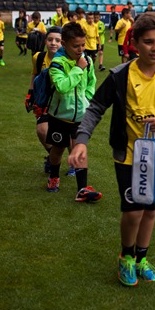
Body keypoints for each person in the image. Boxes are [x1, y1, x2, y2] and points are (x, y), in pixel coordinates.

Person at [69, 13, 155, 286]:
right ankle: (126, 256)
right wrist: (81, 140)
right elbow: (96, 107)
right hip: (127, 155)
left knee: (150, 209)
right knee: (134, 209)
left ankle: (141, 258)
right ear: (135, 43)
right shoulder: (120, 75)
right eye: (148, 42)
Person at [45, 22, 100, 203]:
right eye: (76, 46)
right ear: (64, 44)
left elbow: (91, 83)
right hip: (60, 117)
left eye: (83, 45)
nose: (80, 49)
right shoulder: (57, 63)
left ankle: (82, 189)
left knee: (79, 149)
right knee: (58, 149)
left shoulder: (88, 61)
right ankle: (54, 176)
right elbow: (61, 87)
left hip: (80, 117)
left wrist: (87, 101)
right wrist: (78, 69)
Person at [26, 26, 62, 175]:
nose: (53, 43)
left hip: (63, 101)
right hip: (45, 100)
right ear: (45, 41)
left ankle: (73, 164)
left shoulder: (68, 59)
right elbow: (35, 75)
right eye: (50, 39)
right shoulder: (38, 57)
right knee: (42, 131)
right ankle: (53, 156)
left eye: (58, 40)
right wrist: (30, 94)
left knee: (67, 136)